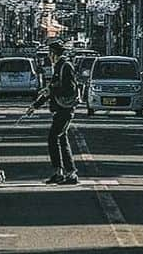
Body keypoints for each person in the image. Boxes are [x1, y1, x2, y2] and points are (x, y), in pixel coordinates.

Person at [34, 40, 79, 185]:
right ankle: (63, 172)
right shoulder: (59, 67)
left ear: (54, 54)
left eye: (49, 53)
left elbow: (68, 89)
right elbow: (51, 89)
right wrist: (35, 105)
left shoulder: (65, 66)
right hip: (60, 108)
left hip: (65, 109)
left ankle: (67, 172)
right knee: (61, 139)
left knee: (53, 138)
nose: (48, 56)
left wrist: (52, 90)